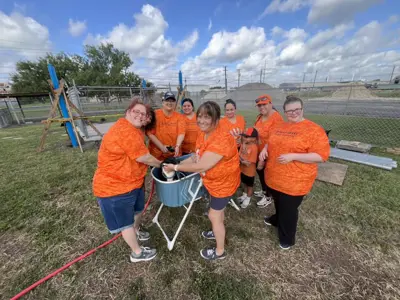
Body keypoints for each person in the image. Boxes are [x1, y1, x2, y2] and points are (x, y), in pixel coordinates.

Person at [163, 101, 240, 260]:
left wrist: (175, 169)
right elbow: (196, 157)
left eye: (207, 117)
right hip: (212, 182)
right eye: (200, 117)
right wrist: (177, 163)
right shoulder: (203, 133)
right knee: (217, 213)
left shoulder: (221, 139)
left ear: (216, 120)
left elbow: (201, 166)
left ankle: (220, 251)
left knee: (213, 215)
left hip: (223, 184)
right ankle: (216, 229)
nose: (202, 121)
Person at [93, 97, 162, 262]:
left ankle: (136, 229)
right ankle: (137, 253)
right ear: (127, 112)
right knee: (125, 222)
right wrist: (162, 164)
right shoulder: (125, 130)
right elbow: (144, 157)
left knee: (138, 210)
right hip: (115, 187)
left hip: (132, 182)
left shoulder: (136, 129)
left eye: (143, 114)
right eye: (136, 111)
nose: (140, 115)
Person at [259, 95, 330, 250]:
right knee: (278, 202)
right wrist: (264, 149)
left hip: (295, 180)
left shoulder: (314, 130)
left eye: (296, 109)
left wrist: (294, 156)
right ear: (284, 112)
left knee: (289, 208)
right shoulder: (280, 126)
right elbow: (270, 142)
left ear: (302, 109)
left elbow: (320, 156)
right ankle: (277, 219)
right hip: (275, 176)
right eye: (289, 111)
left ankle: (287, 238)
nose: (293, 113)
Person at [253, 94, 284, 208]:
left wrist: (263, 159)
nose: (261, 107)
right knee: (261, 173)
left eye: (264, 104)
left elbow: (274, 140)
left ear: (271, 104)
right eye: (259, 105)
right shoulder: (260, 117)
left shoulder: (276, 118)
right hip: (258, 151)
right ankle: (264, 190)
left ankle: (268, 196)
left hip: (269, 154)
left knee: (267, 175)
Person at [147, 91, 186, 160]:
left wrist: (177, 146)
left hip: (174, 154)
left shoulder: (179, 117)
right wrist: (161, 147)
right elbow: (150, 133)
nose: (170, 103)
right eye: (167, 100)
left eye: (172, 101)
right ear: (163, 102)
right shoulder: (155, 115)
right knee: (157, 170)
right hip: (157, 154)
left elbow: (181, 133)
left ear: (175, 103)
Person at [237, 127, 259, 209]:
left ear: (254, 139)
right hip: (242, 170)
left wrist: (241, 160)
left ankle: (248, 198)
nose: (244, 138)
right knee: (244, 184)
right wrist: (241, 160)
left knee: (249, 186)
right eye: (243, 136)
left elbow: (248, 163)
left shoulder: (254, 148)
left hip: (249, 172)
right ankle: (244, 195)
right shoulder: (243, 144)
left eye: (247, 137)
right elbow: (239, 155)